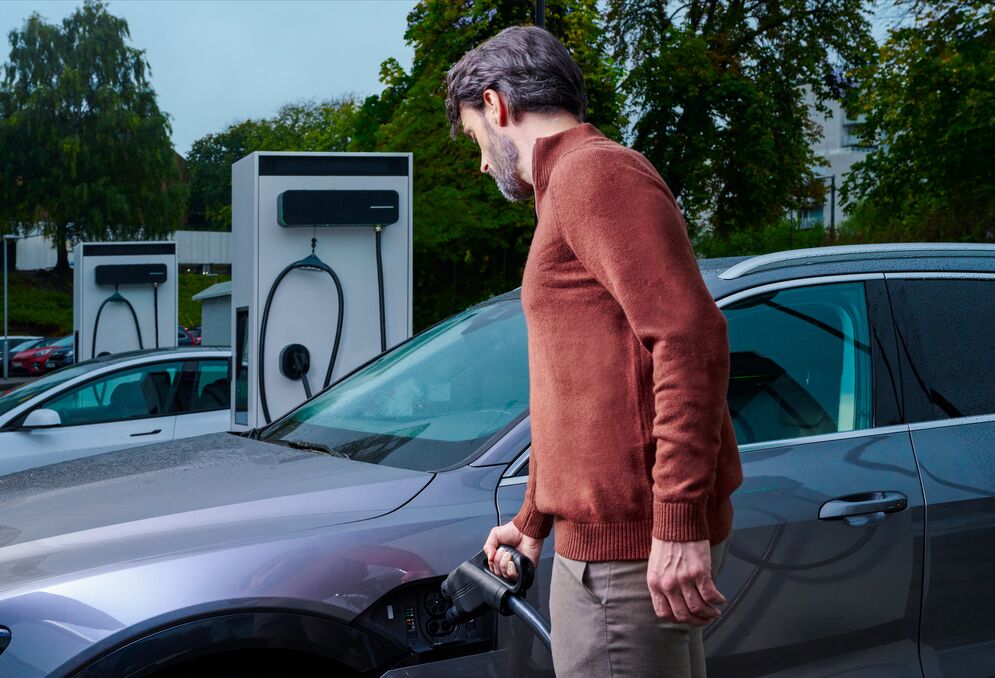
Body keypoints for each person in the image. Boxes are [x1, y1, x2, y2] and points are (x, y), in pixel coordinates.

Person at [445, 25, 744, 678]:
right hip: (614, 549)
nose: (481, 162)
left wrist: (674, 523)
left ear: (496, 107)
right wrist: (532, 519)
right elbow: (578, 384)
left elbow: (690, 338)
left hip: (626, 559)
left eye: (474, 138)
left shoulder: (593, 175)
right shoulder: (571, 187)